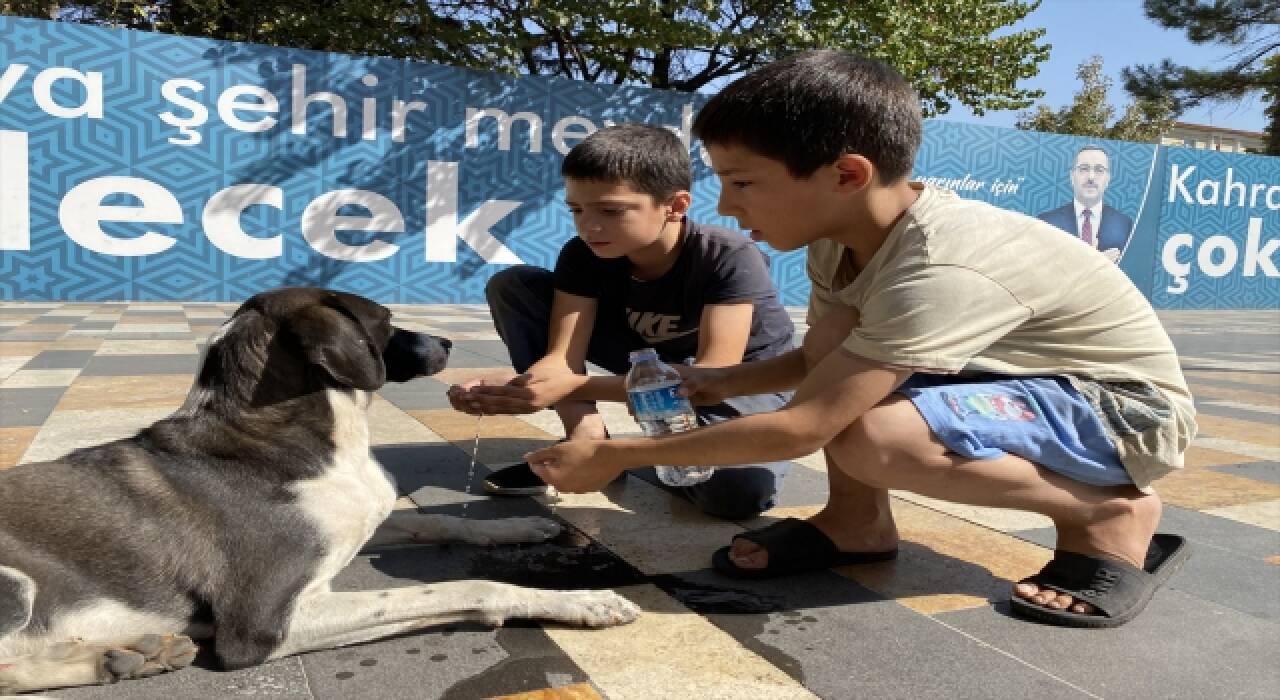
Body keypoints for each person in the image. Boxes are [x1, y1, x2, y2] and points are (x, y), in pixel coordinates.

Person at [526, 51, 1196, 629]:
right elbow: (821, 363)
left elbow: (803, 429)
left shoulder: (940, 263)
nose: (726, 206)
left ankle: (1109, 513)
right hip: (1025, 384)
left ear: (846, 175)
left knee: (867, 435)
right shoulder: (840, 242)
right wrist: (724, 382)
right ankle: (856, 523)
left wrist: (616, 456)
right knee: (844, 390)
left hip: (1125, 411)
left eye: (742, 182)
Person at [447, 123, 795, 520]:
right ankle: (587, 437)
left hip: (739, 378)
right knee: (515, 286)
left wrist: (571, 386)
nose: (589, 226)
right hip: (644, 358)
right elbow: (561, 359)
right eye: (577, 210)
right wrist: (525, 387)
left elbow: (710, 379)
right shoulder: (583, 254)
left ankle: (630, 453)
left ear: (675, 206)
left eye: (611, 210)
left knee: (735, 495)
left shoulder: (727, 255)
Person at [1037, 145, 1134, 262]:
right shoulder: (1047, 222)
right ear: (1072, 176)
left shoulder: (1124, 225)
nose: (1091, 177)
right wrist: (1095, 263)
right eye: (1084, 169)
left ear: (1108, 179)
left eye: (1099, 170)